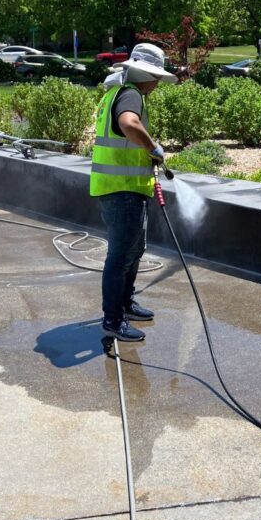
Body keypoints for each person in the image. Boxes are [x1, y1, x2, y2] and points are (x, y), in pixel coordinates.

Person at [90, 42, 177, 342]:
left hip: (124, 189)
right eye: (157, 77)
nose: (157, 83)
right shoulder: (132, 95)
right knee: (120, 256)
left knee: (133, 251)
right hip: (122, 191)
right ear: (147, 75)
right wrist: (153, 147)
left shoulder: (114, 93)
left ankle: (125, 305)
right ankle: (113, 319)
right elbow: (128, 124)